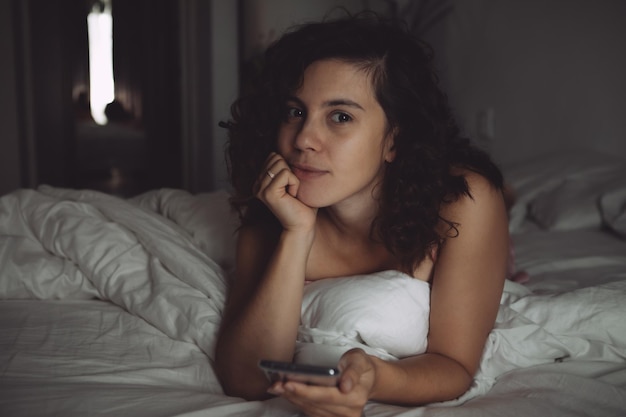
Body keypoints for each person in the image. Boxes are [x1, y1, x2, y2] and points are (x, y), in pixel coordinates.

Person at [215, 12, 509, 416]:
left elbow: (455, 365)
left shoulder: (460, 205)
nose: (303, 140)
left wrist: (375, 376)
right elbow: (246, 379)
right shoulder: (268, 223)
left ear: (394, 139)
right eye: (295, 112)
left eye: (340, 117)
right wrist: (297, 233)